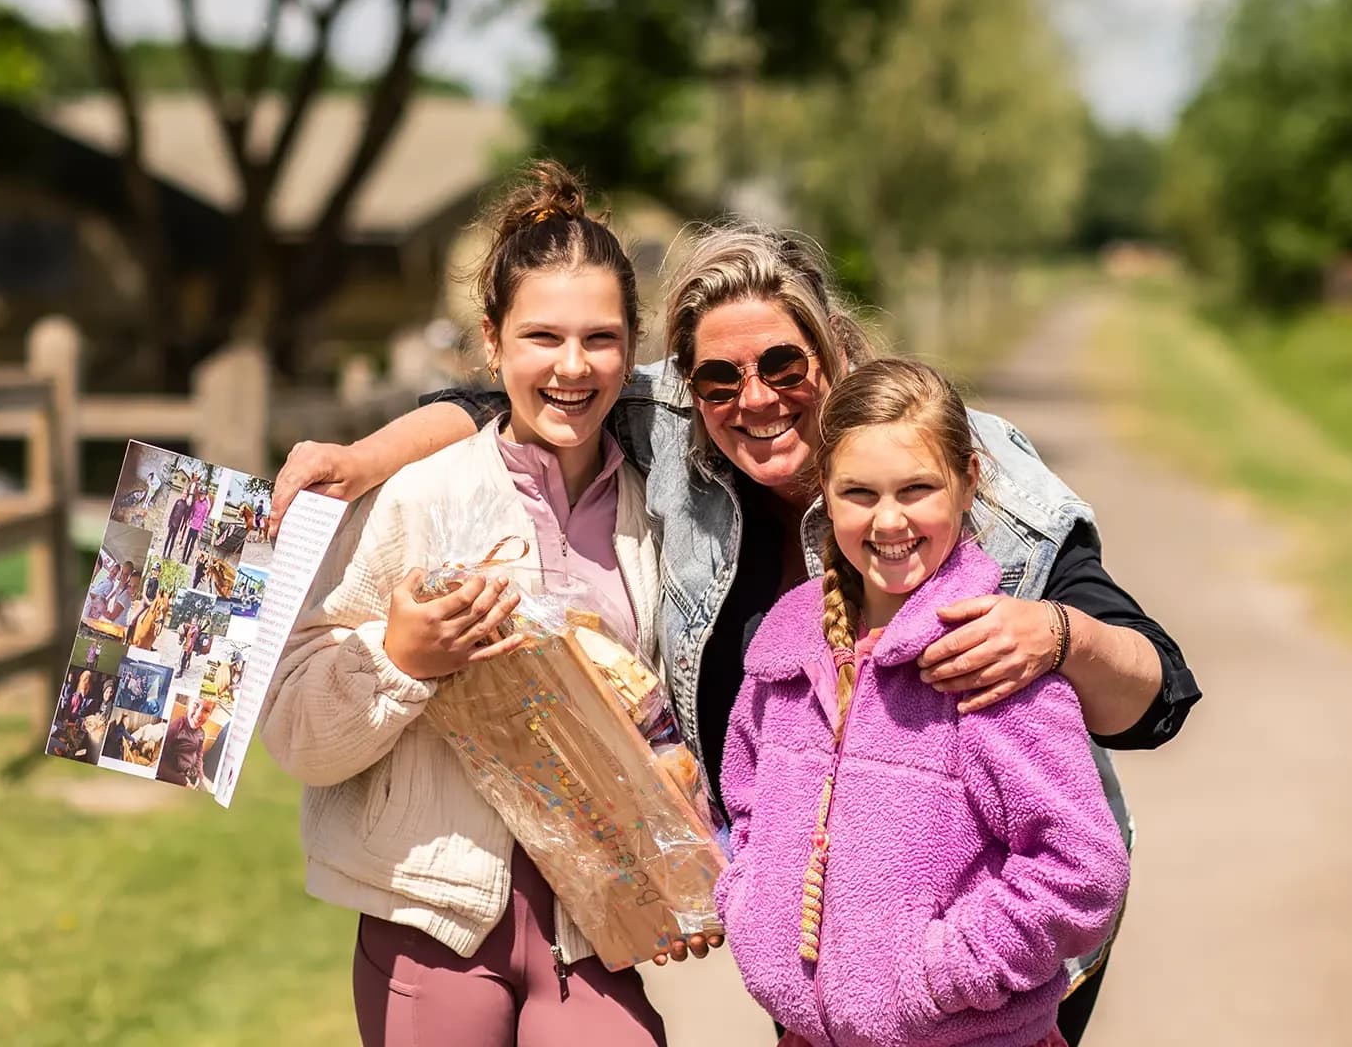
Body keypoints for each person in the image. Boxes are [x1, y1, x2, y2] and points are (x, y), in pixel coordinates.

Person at [268, 220, 1200, 1041]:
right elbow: (524, 394)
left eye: (785, 367)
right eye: (719, 378)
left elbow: (1158, 694)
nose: (755, 399)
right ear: (687, 389)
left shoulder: (954, 464)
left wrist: (1060, 635)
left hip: (987, 967)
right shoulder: (681, 436)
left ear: (834, 348)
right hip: (819, 969)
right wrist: (365, 457)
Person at [261, 161, 673, 1047]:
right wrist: (399, 658)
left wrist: (678, 872)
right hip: (432, 927)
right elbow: (295, 734)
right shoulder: (413, 498)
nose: (573, 366)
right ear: (492, 343)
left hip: (594, 932)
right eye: (542, 337)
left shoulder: (660, 510)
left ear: (633, 347)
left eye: (601, 339)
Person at [717, 358, 1128, 1047]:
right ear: (824, 494)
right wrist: (748, 903)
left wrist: (939, 975)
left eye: (916, 489)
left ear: (967, 482)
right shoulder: (784, 652)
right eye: (859, 493)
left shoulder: (991, 661)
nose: (889, 520)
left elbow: (1081, 871)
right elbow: (748, 806)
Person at [157, 696, 215, 787]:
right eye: (196, 705)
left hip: (191, 773)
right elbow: (159, 763)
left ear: (210, 714)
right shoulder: (176, 728)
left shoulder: (201, 733)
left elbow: (199, 755)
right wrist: (182, 781)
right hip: (174, 776)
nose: (199, 714)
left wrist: (200, 775)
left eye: (206, 710)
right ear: (188, 706)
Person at [183, 484, 212, 562]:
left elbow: (204, 519)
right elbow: (192, 513)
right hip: (192, 525)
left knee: (192, 544)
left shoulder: (206, 506)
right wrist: (189, 520)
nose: (202, 496)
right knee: (187, 542)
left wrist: (200, 530)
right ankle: (183, 558)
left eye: (203, 494)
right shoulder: (196, 502)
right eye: (201, 494)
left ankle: (187, 559)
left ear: (205, 495)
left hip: (197, 528)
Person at [162, 483, 191, 559]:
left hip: (177, 525)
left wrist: (181, 528)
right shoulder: (178, 501)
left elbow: (185, 517)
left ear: (187, 496)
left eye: (186, 494)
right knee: (168, 538)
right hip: (172, 523)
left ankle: (169, 554)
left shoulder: (186, 505)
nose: (184, 495)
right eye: (183, 493)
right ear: (182, 494)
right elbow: (172, 512)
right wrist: (169, 522)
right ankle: (164, 553)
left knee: (173, 540)